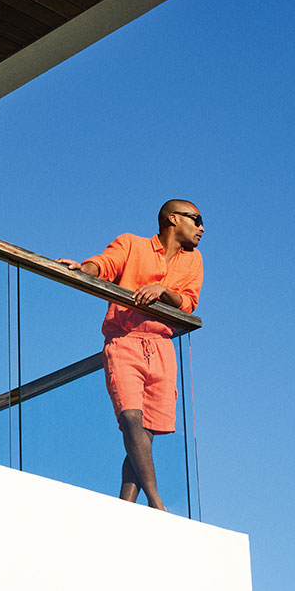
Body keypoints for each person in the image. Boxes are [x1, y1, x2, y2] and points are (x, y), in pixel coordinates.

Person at [56, 200, 204, 511]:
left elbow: (189, 302)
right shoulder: (131, 244)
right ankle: (155, 501)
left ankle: (126, 507)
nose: (202, 228)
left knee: (145, 435)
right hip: (124, 341)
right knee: (131, 419)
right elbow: (104, 265)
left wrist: (163, 292)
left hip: (162, 347)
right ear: (173, 219)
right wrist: (83, 269)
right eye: (197, 219)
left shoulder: (194, 260)